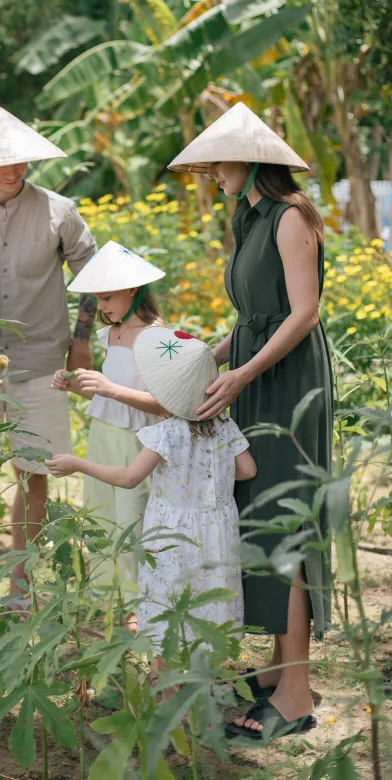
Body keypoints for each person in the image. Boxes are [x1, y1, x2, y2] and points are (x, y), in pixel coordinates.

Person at [168, 101, 332, 739]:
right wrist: (209, 359)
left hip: (290, 382)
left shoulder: (292, 217)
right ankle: (282, 666)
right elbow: (252, 319)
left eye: (217, 161)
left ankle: (295, 693)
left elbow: (303, 314)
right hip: (259, 372)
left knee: (284, 519)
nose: (210, 172)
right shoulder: (248, 217)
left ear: (250, 158)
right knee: (260, 512)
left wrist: (241, 373)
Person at [0, 106, 97, 607]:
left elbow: (92, 276)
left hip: (42, 361)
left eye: (21, 160)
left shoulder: (60, 210)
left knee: (36, 473)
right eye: (2, 161)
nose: (13, 170)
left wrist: (82, 337)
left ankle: (21, 588)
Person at [47, 327, 256, 684]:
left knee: (168, 605)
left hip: (170, 535)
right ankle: (205, 687)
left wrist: (79, 464)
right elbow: (247, 470)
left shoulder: (166, 433)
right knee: (210, 599)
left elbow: (130, 477)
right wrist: (209, 483)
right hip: (216, 531)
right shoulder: (225, 426)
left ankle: (170, 694)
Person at [52, 240, 165, 630]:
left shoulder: (154, 337)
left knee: (133, 518)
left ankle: (140, 600)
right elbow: (107, 390)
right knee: (102, 515)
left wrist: (109, 388)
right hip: (103, 432)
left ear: (133, 289)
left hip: (135, 439)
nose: (101, 307)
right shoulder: (112, 334)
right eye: (97, 299)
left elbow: (163, 403)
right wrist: (74, 385)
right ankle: (111, 594)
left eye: (106, 297)